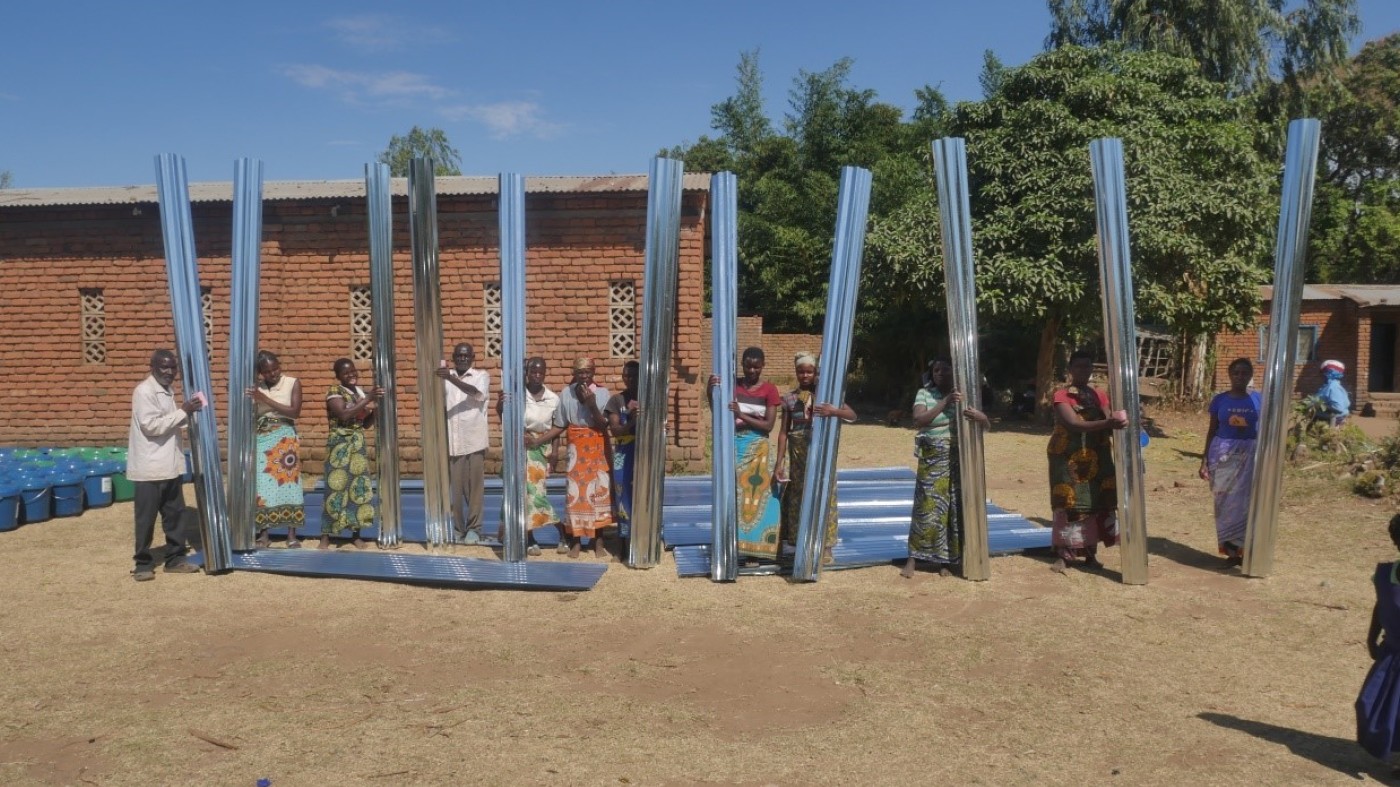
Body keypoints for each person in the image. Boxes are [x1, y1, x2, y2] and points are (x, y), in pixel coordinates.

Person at [903, 357, 990, 579]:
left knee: (952, 509)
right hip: (932, 459)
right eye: (936, 370)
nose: (939, 373)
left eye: (945, 370)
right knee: (926, 506)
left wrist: (982, 417)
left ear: (954, 372)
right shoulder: (924, 394)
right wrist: (945, 402)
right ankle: (914, 557)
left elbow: (984, 426)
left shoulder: (964, 396)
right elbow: (919, 419)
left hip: (956, 459)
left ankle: (946, 560)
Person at [1047, 349, 1128, 574]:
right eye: (1079, 366)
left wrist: (1117, 420)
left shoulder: (1099, 395)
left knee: (1093, 503)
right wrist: (1108, 424)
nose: (1084, 370)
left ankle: (1090, 555)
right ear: (1070, 369)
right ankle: (1063, 556)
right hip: (1067, 458)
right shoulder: (1061, 395)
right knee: (1069, 503)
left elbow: (1107, 415)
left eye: (1087, 366)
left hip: (1095, 456)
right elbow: (1073, 424)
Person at [127, 349, 203, 581]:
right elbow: (151, 426)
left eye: (173, 368)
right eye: (164, 367)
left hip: (169, 466)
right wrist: (184, 412)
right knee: (146, 518)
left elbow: (168, 425)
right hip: (149, 469)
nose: (170, 372)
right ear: (152, 367)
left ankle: (175, 559)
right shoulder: (144, 391)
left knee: (175, 516)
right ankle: (143, 563)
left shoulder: (167, 391)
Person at [774, 352, 855, 565]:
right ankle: (795, 541)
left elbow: (852, 415)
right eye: (801, 371)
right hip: (798, 457)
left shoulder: (828, 397)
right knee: (796, 497)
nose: (805, 375)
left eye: (809, 371)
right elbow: (783, 432)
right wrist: (779, 461)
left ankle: (826, 546)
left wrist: (833, 410)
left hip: (821, 455)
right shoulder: (790, 399)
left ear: (816, 373)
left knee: (825, 494)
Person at [708, 347, 782, 560]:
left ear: (763, 366)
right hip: (734, 447)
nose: (751, 370)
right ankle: (735, 547)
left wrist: (742, 414)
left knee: (759, 499)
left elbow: (768, 425)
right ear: (741, 365)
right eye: (748, 366)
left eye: (756, 367)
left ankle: (757, 550)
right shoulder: (734, 386)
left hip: (758, 450)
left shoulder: (770, 390)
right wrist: (709, 389)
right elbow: (720, 413)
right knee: (735, 498)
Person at [537, 358, 613, 559]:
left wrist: (591, 404)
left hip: (597, 445)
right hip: (576, 449)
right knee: (575, 494)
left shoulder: (603, 393)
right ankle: (576, 541)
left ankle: (598, 541)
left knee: (598, 493)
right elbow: (560, 424)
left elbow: (604, 424)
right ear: (575, 373)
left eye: (588, 372)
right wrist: (539, 441)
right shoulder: (566, 393)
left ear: (593, 372)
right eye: (580, 372)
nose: (584, 376)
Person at [497, 357, 563, 556]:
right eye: (533, 372)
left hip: (540, 450)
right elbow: (504, 418)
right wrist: (501, 405)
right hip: (518, 447)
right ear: (527, 373)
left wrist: (554, 455)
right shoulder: (517, 395)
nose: (536, 376)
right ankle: (529, 538)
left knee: (537, 496)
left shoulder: (553, 398)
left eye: (540, 372)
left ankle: (562, 529)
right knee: (520, 494)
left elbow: (556, 428)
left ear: (545, 374)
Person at [1199, 357, 1260, 567]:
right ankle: (1232, 553)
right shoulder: (1219, 400)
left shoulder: (1259, 400)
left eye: (1245, 373)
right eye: (1236, 373)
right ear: (1230, 375)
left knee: (1247, 503)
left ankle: (1247, 550)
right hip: (1223, 454)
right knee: (1225, 503)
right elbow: (1211, 430)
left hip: (1250, 455)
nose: (1240, 376)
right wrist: (1204, 459)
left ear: (1251, 375)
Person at [321, 358, 383, 550]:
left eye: (353, 371)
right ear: (338, 376)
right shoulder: (335, 391)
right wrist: (368, 399)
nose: (351, 375)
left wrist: (376, 410)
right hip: (339, 445)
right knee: (335, 487)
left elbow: (364, 424)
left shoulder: (360, 392)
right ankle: (326, 535)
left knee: (359, 489)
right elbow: (344, 415)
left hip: (357, 445)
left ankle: (356, 534)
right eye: (346, 373)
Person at [245, 350, 304, 548]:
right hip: (262, 438)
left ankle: (291, 534)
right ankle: (264, 533)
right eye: (267, 371)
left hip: (285, 438)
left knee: (289, 483)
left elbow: (295, 412)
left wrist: (264, 399)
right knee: (262, 486)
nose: (273, 373)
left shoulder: (292, 382)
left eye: (275, 368)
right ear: (260, 373)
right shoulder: (256, 387)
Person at [1356, 515, 1400, 774]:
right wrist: (1372, 636)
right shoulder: (1386, 574)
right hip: (1392, 654)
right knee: (1369, 704)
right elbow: (1381, 603)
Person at [436, 343, 490, 545]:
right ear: (453, 357)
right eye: (459, 356)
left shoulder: (481, 376)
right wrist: (445, 377)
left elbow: (477, 394)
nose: (462, 359)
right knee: (455, 490)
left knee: (475, 488)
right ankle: (458, 528)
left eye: (466, 356)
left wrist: (451, 378)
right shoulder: (444, 377)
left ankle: (474, 528)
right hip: (452, 440)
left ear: (472, 357)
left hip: (473, 440)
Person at [605, 360, 640, 543]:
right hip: (623, 451)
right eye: (627, 376)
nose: (630, 379)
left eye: (634, 375)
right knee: (621, 492)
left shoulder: (648, 400)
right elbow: (615, 430)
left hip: (642, 452)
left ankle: (641, 535)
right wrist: (633, 420)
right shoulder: (616, 400)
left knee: (641, 492)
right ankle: (624, 539)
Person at [1316, 359, 1351, 427]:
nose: (1320, 375)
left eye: (1323, 372)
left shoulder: (1333, 387)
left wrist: (1319, 405)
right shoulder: (1326, 386)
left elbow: (1338, 408)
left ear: (1329, 373)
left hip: (1332, 423)